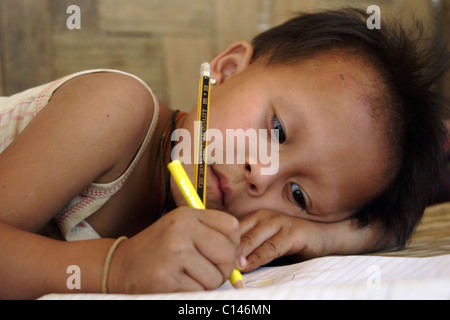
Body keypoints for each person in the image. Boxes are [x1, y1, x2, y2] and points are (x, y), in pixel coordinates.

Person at [0, 8, 447, 299]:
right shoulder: (114, 110)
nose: (260, 174)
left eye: (297, 195)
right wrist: (115, 268)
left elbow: (386, 229)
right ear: (226, 70)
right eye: (277, 129)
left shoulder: (212, 232)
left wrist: (327, 237)